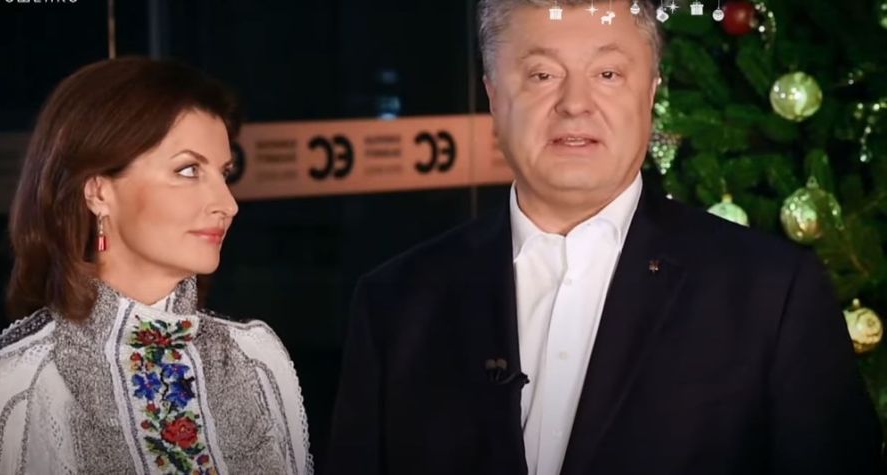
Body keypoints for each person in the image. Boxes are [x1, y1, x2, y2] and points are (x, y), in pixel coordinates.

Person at [327, 1, 884, 474]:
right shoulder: (396, 304)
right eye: (542, 75)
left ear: (651, 92)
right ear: (494, 96)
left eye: (609, 74)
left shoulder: (771, 295)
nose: (575, 104)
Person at [0, 57, 312, 475]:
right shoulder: (11, 388)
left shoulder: (256, 358)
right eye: (188, 170)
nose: (227, 204)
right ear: (98, 192)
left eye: (224, 173)